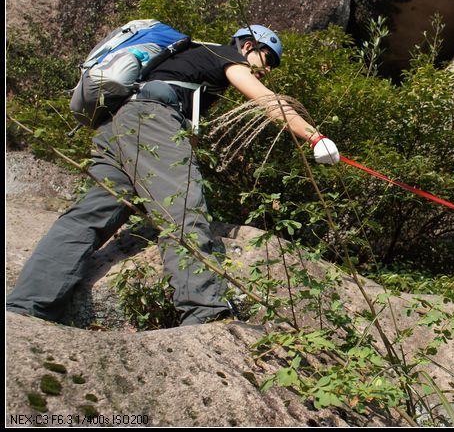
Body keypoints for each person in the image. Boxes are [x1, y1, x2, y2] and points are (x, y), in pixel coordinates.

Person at [7, 24, 340, 326]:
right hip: (152, 119)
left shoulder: (190, 59)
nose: (267, 70)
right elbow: (269, 102)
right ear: (250, 46)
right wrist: (315, 137)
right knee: (181, 209)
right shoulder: (225, 56)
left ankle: (26, 306)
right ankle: (205, 312)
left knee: (88, 216)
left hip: (117, 125)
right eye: (268, 59)